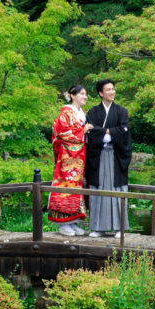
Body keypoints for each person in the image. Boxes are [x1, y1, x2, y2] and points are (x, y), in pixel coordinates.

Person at [84, 79, 132, 237]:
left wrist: (102, 131)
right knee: (98, 190)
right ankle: (98, 228)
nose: (112, 92)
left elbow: (124, 131)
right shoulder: (92, 112)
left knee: (117, 190)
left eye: (113, 89)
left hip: (116, 157)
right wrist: (111, 131)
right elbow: (89, 132)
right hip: (98, 157)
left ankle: (120, 227)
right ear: (101, 93)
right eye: (108, 90)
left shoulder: (121, 111)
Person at [48, 84, 94, 236]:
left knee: (77, 187)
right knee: (66, 187)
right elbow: (63, 134)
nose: (85, 97)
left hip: (79, 157)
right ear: (72, 95)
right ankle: (63, 224)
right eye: (81, 94)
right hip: (67, 157)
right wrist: (83, 130)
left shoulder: (81, 113)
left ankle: (73, 222)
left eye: (86, 94)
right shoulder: (66, 113)